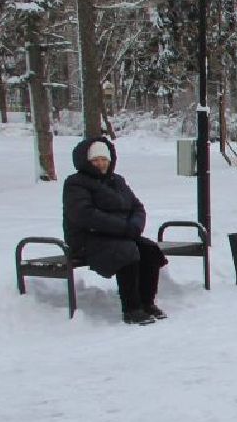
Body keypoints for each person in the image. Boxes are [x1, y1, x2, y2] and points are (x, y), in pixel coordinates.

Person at [62, 137, 168, 325]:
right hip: (88, 239)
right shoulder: (75, 184)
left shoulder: (117, 181)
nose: (101, 164)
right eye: (95, 160)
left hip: (121, 235)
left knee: (149, 249)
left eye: (104, 159)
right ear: (86, 161)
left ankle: (147, 302)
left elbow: (137, 207)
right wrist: (122, 228)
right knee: (126, 251)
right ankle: (132, 308)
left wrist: (135, 226)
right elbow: (85, 215)